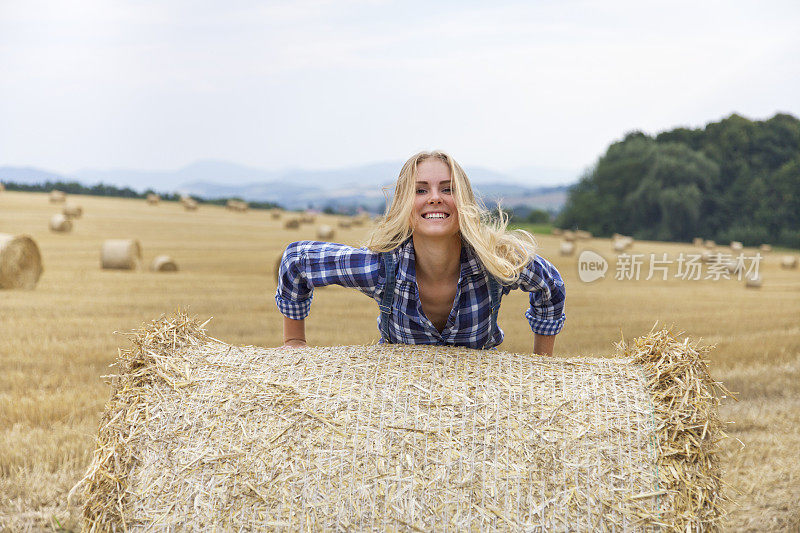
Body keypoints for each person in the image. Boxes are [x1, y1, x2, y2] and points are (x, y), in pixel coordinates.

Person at [275, 150, 565, 354]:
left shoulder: (495, 263)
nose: (435, 198)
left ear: (463, 201)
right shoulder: (381, 269)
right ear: (404, 204)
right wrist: (294, 342)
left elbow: (550, 284)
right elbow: (296, 261)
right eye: (421, 190)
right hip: (399, 407)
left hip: (480, 408)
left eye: (448, 189)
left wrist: (539, 368)